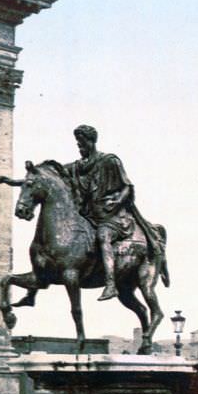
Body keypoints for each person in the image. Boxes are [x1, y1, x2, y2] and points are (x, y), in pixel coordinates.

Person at [64, 125, 162, 302]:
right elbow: (51, 175)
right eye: (77, 144)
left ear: (92, 141)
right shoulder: (77, 167)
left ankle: (110, 285)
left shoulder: (109, 161)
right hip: (91, 217)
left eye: (82, 143)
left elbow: (127, 187)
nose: (79, 147)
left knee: (103, 235)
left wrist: (117, 201)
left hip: (114, 217)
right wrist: (22, 181)